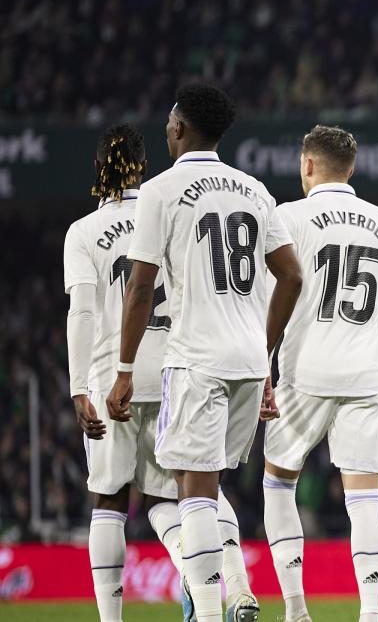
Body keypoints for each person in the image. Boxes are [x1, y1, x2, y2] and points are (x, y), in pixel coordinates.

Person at [106, 83, 304, 622]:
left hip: (197, 359)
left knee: (189, 490)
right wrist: (264, 350)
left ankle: (212, 613)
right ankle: (236, 591)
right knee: (209, 486)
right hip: (248, 363)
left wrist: (124, 370)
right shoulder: (255, 189)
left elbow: (140, 288)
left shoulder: (161, 190)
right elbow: (291, 275)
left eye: (169, 122)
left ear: (178, 128)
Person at [261, 125, 378, 622]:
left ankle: (296, 610)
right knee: (364, 500)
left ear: (307, 164)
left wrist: (262, 367)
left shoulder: (287, 217)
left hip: (303, 373)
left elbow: (268, 300)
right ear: (352, 168)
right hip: (364, 376)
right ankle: (370, 614)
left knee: (278, 484)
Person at [64, 124, 191, 622]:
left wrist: (78, 387)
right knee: (166, 496)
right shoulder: (170, 216)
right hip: (172, 372)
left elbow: (83, 312)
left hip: (111, 379)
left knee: (110, 499)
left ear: (99, 169)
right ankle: (197, 577)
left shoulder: (83, 232)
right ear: (144, 168)